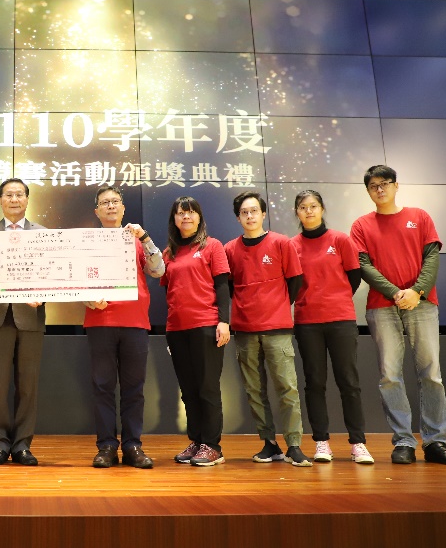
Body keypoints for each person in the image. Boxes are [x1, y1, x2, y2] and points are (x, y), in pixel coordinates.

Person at [350, 165, 446, 466]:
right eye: (373, 186)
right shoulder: (361, 225)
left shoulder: (420, 217)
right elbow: (363, 265)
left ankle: (436, 442)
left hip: (422, 303)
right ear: (368, 191)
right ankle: (403, 441)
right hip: (382, 306)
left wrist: (416, 291)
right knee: (390, 375)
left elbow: (432, 257)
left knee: (431, 373)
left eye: (385, 183)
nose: (380, 189)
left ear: (396, 185)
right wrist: (395, 292)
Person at [225, 191, 312, 467]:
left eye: (254, 211)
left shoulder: (282, 243)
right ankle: (269, 443)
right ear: (238, 218)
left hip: (277, 328)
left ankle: (294, 445)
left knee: (287, 388)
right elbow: (229, 287)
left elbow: (295, 281)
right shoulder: (230, 249)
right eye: (244, 212)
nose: (250, 216)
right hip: (244, 329)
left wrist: (277, 306)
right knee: (254, 390)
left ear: (263, 214)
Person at [290, 190, 374, 465]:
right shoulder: (292, 246)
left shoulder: (340, 240)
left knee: (348, 381)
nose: (309, 211)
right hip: (307, 322)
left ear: (322, 209)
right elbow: (291, 283)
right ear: (297, 212)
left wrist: (335, 298)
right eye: (303, 207)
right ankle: (321, 442)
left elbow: (354, 276)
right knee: (314, 382)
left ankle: (358, 443)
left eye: (313, 206)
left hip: (340, 320)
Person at [84, 186, 164, 469]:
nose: (110, 206)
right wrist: (88, 299)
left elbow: (159, 270)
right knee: (102, 386)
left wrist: (145, 237)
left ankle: (132, 446)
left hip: (135, 321)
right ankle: (106, 446)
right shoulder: (86, 242)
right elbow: (74, 278)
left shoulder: (136, 239)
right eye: (104, 203)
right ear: (97, 211)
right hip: (100, 321)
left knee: (134, 388)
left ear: (123, 208)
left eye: (115, 201)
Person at [0, 178, 46, 467]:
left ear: (27, 199)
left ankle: (23, 445)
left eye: (19, 195)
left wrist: (44, 293)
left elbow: (50, 274)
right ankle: (0, 444)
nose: (14, 199)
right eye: (9, 195)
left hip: (30, 315)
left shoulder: (42, 234)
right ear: (0, 200)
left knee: (28, 385)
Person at [160, 196, 230, 467]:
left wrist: (223, 322)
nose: (185, 217)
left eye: (190, 212)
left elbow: (222, 286)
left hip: (206, 325)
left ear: (199, 217)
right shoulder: (169, 253)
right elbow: (169, 290)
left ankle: (212, 446)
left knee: (207, 388)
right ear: (174, 219)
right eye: (180, 213)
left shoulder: (212, 246)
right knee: (188, 390)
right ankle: (197, 440)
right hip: (177, 329)